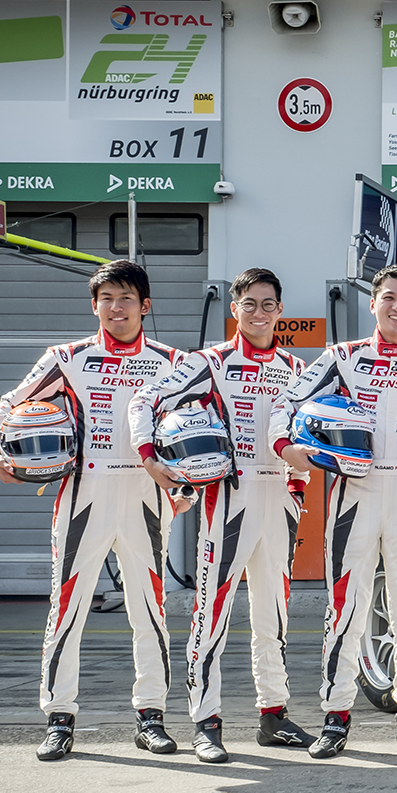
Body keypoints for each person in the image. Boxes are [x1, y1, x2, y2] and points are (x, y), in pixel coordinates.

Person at [0, 260, 183, 762]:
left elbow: (198, 425)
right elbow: (11, 401)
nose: (117, 307)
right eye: (107, 298)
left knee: (151, 612)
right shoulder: (67, 357)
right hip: (82, 493)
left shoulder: (173, 361)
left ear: (145, 305)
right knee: (66, 607)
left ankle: (151, 715)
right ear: (94, 305)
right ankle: (59, 717)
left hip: (147, 495)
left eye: (127, 298)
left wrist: (188, 489)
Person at [273, 263, 397, 759]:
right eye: (388, 297)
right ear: (372, 302)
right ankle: (335, 718)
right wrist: (287, 446)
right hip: (351, 493)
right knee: (346, 608)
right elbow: (288, 402)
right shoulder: (342, 358)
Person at [128, 267, 316, 762]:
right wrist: (149, 457)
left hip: (280, 499)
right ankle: (205, 724)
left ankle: (273, 714)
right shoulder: (208, 362)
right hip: (225, 500)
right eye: (249, 304)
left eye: (268, 304)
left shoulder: (297, 369)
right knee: (211, 616)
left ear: (280, 311)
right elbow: (146, 400)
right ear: (234, 309)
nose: (258, 313)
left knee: (273, 616)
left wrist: (299, 488)